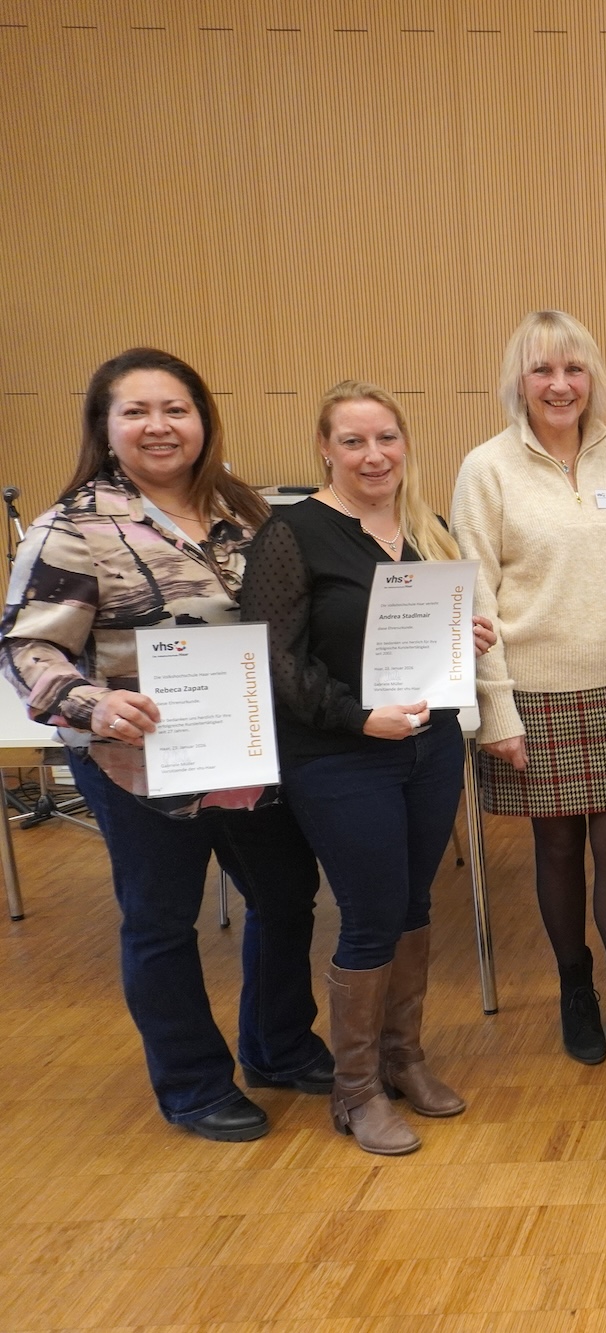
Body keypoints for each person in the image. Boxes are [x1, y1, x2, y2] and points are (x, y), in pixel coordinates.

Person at [0, 348, 330, 1141]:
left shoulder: (244, 512)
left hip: (248, 752)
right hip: (139, 762)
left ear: (202, 420)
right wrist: (93, 704)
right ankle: (192, 1083)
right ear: (105, 426)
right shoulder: (72, 527)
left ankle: (278, 1045)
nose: (159, 426)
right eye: (137, 411)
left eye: (176, 409)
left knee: (287, 897)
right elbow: (28, 646)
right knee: (161, 922)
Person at [240, 381, 497, 1154]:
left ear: (405, 442)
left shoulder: (426, 525)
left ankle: (402, 1057)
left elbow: (431, 632)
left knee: (415, 902)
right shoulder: (291, 534)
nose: (373, 454)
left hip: (430, 744)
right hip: (341, 755)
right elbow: (274, 660)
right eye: (353, 441)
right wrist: (358, 717)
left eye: (386, 437)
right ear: (325, 448)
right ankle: (354, 1089)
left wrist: (466, 637)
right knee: (372, 911)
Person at [451, 311, 606, 1086]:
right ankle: (575, 985)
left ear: (593, 378)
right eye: (543, 370)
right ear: (519, 380)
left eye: (574, 369)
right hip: (535, 694)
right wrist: (496, 708)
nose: (560, 385)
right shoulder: (486, 469)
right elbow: (476, 599)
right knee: (556, 848)